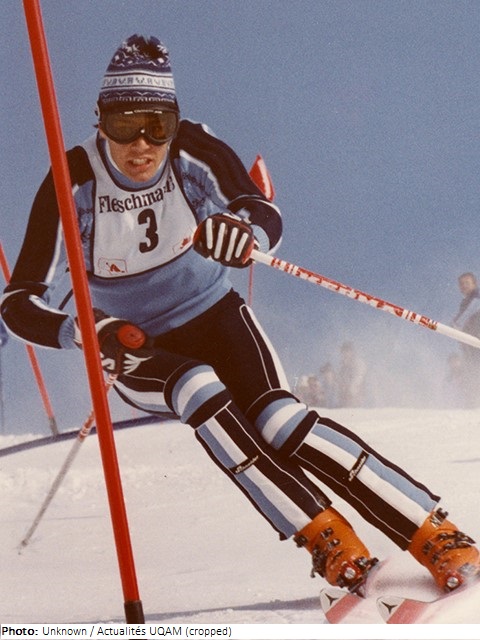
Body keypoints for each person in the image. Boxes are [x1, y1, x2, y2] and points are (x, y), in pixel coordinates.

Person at [2, 34, 479, 595]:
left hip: (215, 314)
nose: (141, 144)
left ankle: (432, 532)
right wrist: (85, 330)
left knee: (281, 420)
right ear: (100, 121)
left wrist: (242, 230)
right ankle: (324, 536)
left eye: (157, 125)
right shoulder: (72, 181)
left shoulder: (192, 148)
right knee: (195, 387)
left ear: (174, 121)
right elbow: (18, 303)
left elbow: (259, 209)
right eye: (123, 124)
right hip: (135, 343)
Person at [452, 272, 480, 407]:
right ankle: (473, 404)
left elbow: (474, 308)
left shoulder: (477, 295)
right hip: (471, 348)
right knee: (471, 373)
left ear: (474, 284)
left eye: (467, 283)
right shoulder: (464, 303)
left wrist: (456, 323)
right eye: (461, 284)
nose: (464, 286)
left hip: (477, 341)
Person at [337, 341, 368, 407]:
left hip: (357, 393)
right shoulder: (342, 366)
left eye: (347, 351)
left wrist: (351, 388)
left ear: (351, 352)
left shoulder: (358, 363)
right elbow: (340, 379)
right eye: (343, 352)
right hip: (345, 395)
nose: (345, 354)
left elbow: (359, 377)